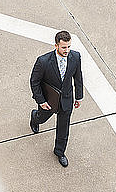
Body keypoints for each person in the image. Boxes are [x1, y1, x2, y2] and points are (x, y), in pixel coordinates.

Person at [29, 31, 83, 167]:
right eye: (64, 47)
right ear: (56, 45)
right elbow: (34, 82)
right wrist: (41, 101)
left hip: (66, 99)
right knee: (42, 118)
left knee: (63, 128)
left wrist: (79, 96)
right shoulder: (43, 61)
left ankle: (60, 152)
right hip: (49, 100)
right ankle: (35, 117)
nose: (67, 50)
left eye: (69, 46)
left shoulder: (75, 57)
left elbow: (78, 77)